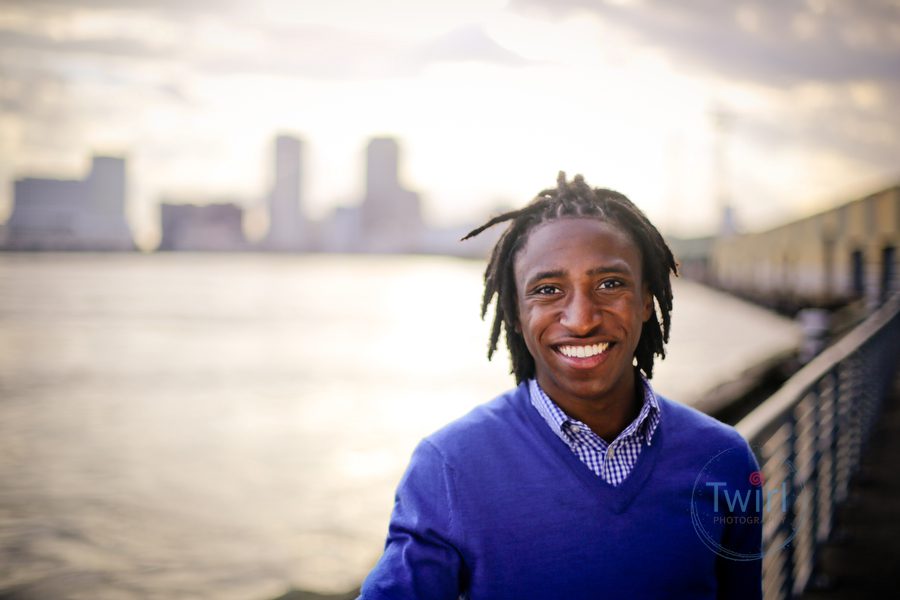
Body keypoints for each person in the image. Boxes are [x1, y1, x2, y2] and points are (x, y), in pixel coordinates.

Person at [359, 173, 763, 599]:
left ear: (647, 300)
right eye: (548, 290)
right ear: (515, 313)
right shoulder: (449, 467)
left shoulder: (725, 461)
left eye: (610, 284)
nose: (581, 319)